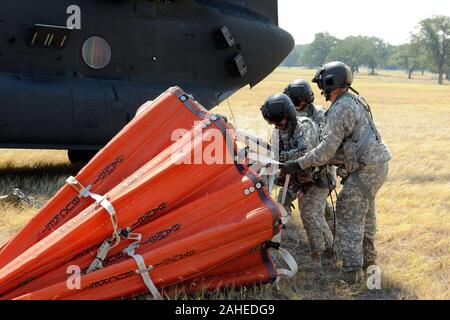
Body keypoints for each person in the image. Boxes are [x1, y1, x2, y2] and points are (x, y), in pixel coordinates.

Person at [282, 61, 392, 284]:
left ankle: (352, 275)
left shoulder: (340, 108)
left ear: (329, 82)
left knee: (348, 215)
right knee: (366, 215)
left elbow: (325, 151)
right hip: (376, 165)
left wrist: (298, 164)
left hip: (364, 170)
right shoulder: (354, 100)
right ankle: (370, 267)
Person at [260, 93, 334, 267]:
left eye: (279, 122)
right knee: (285, 208)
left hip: (317, 178)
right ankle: (329, 247)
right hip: (295, 178)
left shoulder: (305, 125)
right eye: (274, 123)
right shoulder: (277, 131)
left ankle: (318, 255)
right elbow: (274, 152)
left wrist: (283, 158)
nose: (277, 126)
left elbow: (304, 150)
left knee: (309, 213)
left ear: (289, 114)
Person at [284, 79, 337, 232]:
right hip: (295, 169)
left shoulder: (321, 115)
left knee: (316, 206)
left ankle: (331, 232)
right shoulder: (289, 114)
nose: (294, 104)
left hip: (318, 169)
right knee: (284, 199)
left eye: (296, 100)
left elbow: (324, 145)